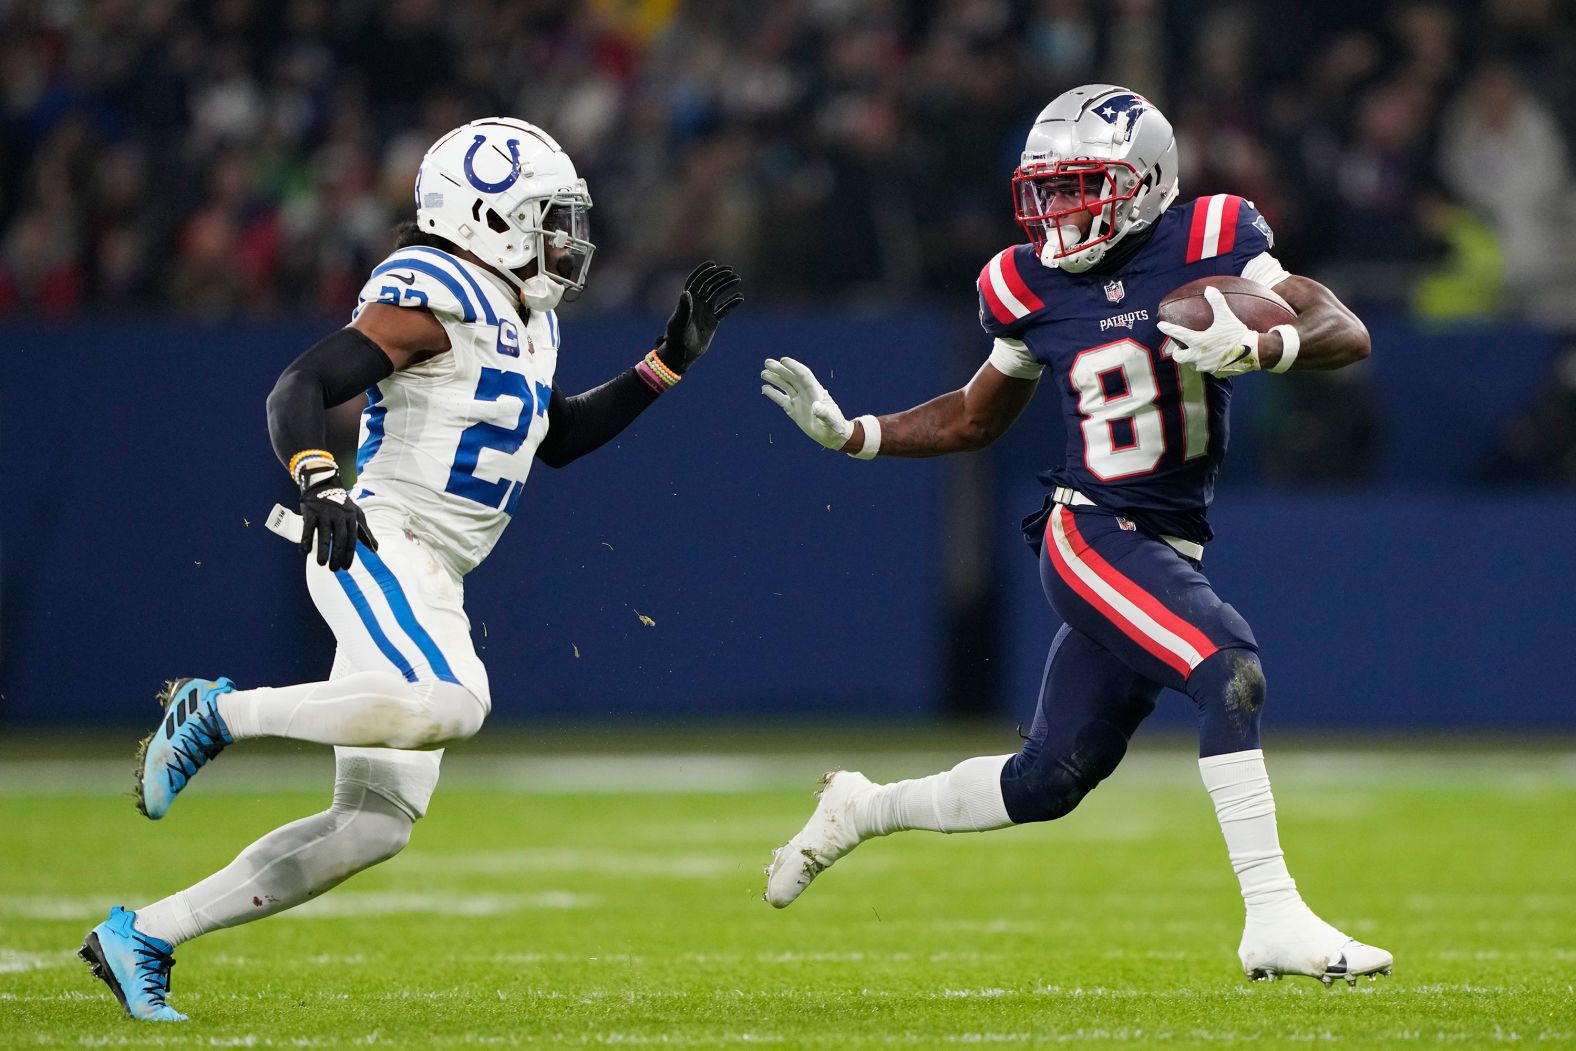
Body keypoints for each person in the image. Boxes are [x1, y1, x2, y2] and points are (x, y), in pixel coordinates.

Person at [78, 117, 743, 1022]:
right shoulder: (436, 287)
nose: (565, 239)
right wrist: (318, 478)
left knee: (375, 822)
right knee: (453, 699)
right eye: (547, 217)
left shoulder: (527, 318)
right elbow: (299, 386)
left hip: (437, 572)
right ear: (484, 215)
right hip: (375, 537)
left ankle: (143, 935)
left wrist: (666, 363)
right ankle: (216, 710)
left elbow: (558, 439)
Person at [759, 85, 1390, 986]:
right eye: (1047, 190)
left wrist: (1264, 348)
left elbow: (1345, 329)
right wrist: (855, 432)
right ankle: (1273, 917)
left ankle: (864, 807)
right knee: (1228, 666)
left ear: (1146, 180)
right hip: (1091, 532)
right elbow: (977, 416)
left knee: (1049, 779)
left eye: (1080, 185)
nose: (1058, 209)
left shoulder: (1213, 236)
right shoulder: (1025, 283)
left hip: (1166, 542)